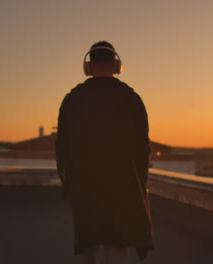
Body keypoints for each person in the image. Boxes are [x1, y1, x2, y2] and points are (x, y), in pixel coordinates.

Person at [55, 41, 153, 263]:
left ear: (88, 67)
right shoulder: (132, 99)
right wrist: (140, 184)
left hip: (84, 184)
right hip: (122, 185)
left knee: (87, 247)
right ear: (116, 65)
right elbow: (142, 149)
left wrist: (67, 182)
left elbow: (62, 147)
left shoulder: (72, 99)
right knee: (115, 246)